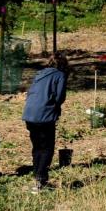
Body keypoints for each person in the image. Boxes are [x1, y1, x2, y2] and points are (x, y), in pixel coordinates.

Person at [22, 53, 69, 193]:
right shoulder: (60, 75)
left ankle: (37, 175)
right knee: (47, 148)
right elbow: (59, 96)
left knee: (37, 147)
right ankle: (41, 181)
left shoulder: (40, 73)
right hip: (45, 115)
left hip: (29, 115)